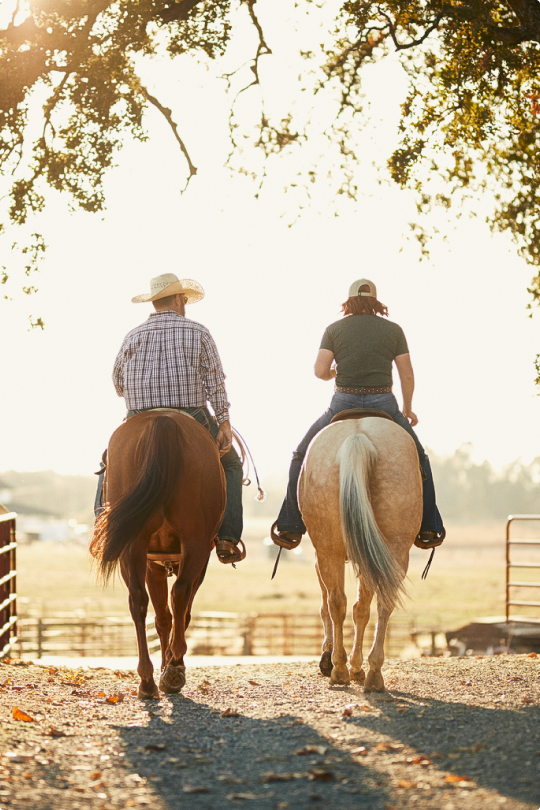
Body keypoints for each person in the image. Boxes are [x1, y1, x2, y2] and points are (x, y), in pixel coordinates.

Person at [273, 278, 445, 552]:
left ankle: (291, 524)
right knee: (420, 458)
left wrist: (333, 373)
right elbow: (407, 373)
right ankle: (429, 525)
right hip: (384, 402)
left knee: (300, 455)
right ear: (375, 302)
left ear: (349, 301)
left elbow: (319, 371)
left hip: (342, 402)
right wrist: (407, 408)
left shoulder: (334, 329)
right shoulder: (394, 330)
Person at [95, 273, 244, 565]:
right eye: (184, 299)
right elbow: (215, 381)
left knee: (107, 466)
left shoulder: (133, 335)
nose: (185, 303)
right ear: (177, 299)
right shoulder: (198, 332)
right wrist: (224, 422)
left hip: (139, 415)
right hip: (191, 413)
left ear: (155, 301)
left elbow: (117, 383)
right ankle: (227, 537)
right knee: (231, 465)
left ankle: (102, 530)